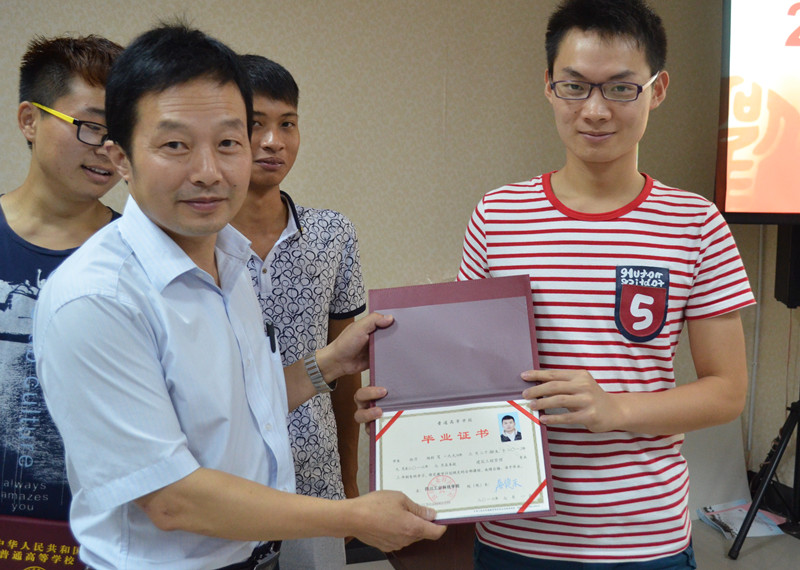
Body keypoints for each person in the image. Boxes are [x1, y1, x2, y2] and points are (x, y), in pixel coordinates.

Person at [32, 23, 445, 570]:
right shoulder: (97, 297)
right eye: (175, 145)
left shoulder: (229, 260)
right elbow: (172, 499)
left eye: (228, 143)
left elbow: (246, 406)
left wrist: (331, 363)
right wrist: (353, 515)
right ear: (121, 157)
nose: (209, 172)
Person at [357, 0, 754, 567]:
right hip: (512, 531)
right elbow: (467, 370)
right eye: (575, 86)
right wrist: (405, 405)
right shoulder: (499, 214)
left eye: (621, 88)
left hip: (642, 537)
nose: (595, 110)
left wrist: (614, 409)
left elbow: (727, 391)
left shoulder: (694, 222)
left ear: (657, 90)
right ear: (548, 86)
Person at [232, 54, 365, 570]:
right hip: (228, 483)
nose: (273, 141)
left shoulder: (333, 234)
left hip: (316, 479)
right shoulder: (196, 242)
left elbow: (346, 369)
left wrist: (349, 479)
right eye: (255, 124)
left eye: (287, 124)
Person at [0, 34, 122, 524]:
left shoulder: (140, 256)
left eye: (122, 131)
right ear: (30, 120)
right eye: (92, 127)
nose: (108, 148)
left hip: (100, 536)